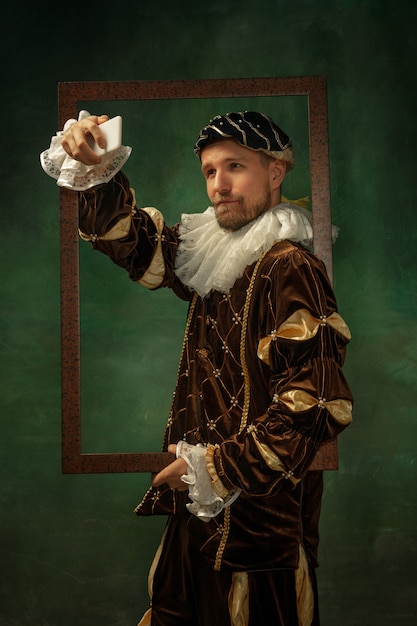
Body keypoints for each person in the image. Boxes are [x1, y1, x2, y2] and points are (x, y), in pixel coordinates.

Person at [41, 110, 353, 626]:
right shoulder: (220, 252)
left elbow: (316, 405)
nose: (219, 185)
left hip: (258, 526)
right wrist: (97, 163)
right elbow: (135, 244)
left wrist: (216, 469)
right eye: (210, 171)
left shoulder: (289, 266)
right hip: (199, 508)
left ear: (276, 172)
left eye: (235, 167)